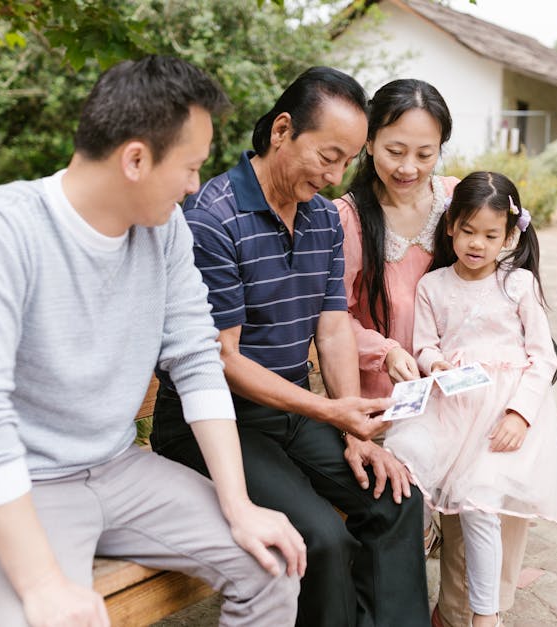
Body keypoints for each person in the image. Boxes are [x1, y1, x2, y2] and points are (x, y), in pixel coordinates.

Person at [0, 55, 305, 627]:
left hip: (119, 469)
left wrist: (239, 506)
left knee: (271, 563)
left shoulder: (166, 229)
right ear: (135, 159)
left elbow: (198, 360)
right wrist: (45, 586)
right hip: (9, 486)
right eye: (191, 166)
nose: (197, 185)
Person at [150, 66, 430, 627]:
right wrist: (330, 411)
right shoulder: (213, 217)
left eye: (347, 161)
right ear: (282, 130)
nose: (334, 176)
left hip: (294, 415)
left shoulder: (325, 219)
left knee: (396, 500)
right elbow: (221, 361)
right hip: (216, 424)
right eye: (328, 156)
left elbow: (332, 329)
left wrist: (355, 432)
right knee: (320, 538)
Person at [334, 79, 532, 627]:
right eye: (395, 150)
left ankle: (463, 613)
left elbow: (510, 276)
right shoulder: (347, 219)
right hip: (393, 395)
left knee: (484, 497)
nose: (408, 166)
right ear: (370, 141)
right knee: (407, 497)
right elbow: (331, 319)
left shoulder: (458, 200)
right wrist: (383, 349)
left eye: (425, 153)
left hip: (467, 392)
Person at [384, 171, 557, 627]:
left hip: (502, 417)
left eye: (491, 235)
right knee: (400, 461)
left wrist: (520, 414)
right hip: (453, 410)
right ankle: (400, 585)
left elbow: (542, 358)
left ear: (510, 235)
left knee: (478, 501)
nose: (477, 244)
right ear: (450, 225)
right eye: (468, 231)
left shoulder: (519, 285)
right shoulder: (433, 286)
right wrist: (435, 365)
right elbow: (425, 344)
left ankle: (484, 614)